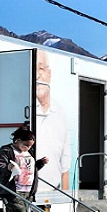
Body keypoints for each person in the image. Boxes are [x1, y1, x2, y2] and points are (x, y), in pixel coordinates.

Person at [0, 125, 48, 212]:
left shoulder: (28, 152)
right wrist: (8, 168)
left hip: (28, 190)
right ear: (17, 140)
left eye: (30, 146)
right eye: (26, 145)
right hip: (12, 189)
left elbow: (29, 169)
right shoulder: (6, 150)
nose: (27, 148)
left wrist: (40, 163)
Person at [34, 50, 71, 191]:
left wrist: (66, 197)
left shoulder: (60, 112)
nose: (37, 75)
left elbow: (65, 162)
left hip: (54, 189)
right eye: (33, 69)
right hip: (26, 192)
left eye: (41, 69)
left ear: (49, 74)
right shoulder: (23, 110)